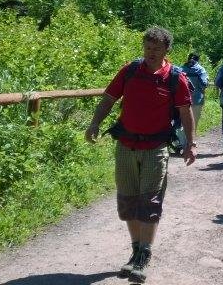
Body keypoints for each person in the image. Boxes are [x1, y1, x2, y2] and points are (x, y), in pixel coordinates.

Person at [84, 26, 196, 284]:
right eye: (147, 47)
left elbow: (185, 112)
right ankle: (135, 251)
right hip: (125, 146)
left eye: (156, 48)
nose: (150, 53)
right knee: (128, 202)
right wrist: (94, 123)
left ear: (167, 50)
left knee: (150, 202)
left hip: (155, 149)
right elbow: (108, 99)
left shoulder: (175, 78)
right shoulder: (130, 71)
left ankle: (144, 255)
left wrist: (191, 144)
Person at [179, 52, 209, 145]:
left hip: (182, 101)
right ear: (198, 60)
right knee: (193, 123)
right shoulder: (200, 70)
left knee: (181, 123)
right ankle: (189, 144)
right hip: (197, 100)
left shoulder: (181, 69)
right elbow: (204, 84)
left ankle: (182, 144)